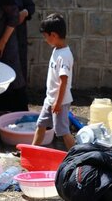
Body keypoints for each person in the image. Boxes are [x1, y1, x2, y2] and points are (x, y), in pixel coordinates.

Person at [32, 13, 75, 150]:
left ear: (54, 35)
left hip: (59, 101)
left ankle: (77, 154)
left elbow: (63, 81)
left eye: (46, 37)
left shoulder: (64, 55)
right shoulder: (56, 50)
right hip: (50, 98)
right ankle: (32, 150)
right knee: (41, 125)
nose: (45, 40)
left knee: (62, 131)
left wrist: (58, 102)